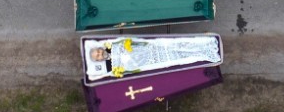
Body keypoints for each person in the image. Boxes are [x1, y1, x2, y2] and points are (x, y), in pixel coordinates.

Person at [86, 35, 221, 80]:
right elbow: (131, 69)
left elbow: (129, 41)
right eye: (97, 57)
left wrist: (128, 45)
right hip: (152, 60)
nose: (99, 54)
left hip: (151, 48)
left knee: (176, 46)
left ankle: (206, 44)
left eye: (97, 52)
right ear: (99, 61)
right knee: (179, 58)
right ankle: (205, 55)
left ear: (100, 48)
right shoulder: (113, 68)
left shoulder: (112, 45)